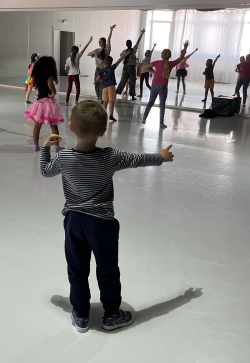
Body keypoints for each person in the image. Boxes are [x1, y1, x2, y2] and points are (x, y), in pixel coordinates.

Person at [39, 100, 174, 333]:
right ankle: (112, 314)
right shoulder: (110, 157)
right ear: (102, 131)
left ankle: (80, 314)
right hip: (102, 223)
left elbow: (45, 171)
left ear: (70, 126)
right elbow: (137, 160)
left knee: (77, 267)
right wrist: (160, 157)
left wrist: (45, 148)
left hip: (74, 222)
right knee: (108, 268)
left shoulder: (64, 157)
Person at [142, 41, 189, 128]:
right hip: (163, 86)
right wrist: (185, 47)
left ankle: (144, 118)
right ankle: (161, 123)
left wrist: (153, 71)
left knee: (150, 102)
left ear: (162, 55)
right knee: (162, 104)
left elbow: (146, 66)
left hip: (154, 85)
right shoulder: (171, 64)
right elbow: (181, 57)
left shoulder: (157, 62)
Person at [25, 56, 65, 152]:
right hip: (49, 102)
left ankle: (36, 145)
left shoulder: (37, 76)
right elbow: (50, 84)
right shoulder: (49, 76)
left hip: (39, 103)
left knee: (37, 126)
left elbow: (35, 85)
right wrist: (54, 92)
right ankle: (57, 146)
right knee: (54, 125)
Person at [96, 50, 132, 122]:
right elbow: (119, 60)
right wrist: (126, 54)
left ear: (103, 62)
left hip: (104, 88)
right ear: (111, 63)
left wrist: (102, 78)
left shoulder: (101, 71)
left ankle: (103, 116)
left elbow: (97, 79)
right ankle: (111, 115)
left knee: (105, 102)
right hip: (111, 87)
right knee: (111, 101)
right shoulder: (112, 68)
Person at [115, 29, 146, 101]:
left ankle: (117, 93)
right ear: (131, 44)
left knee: (123, 80)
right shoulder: (133, 50)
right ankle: (132, 96)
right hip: (131, 68)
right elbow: (138, 42)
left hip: (125, 67)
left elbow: (121, 55)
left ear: (126, 45)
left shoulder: (124, 51)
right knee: (132, 81)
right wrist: (142, 33)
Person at [88, 25, 116, 104]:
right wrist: (93, 53)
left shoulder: (107, 49)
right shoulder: (97, 50)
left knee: (102, 84)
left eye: (100, 41)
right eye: (99, 41)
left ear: (104, 42)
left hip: (104, 69)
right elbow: (88, 54)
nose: (99, 42)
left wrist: (111, 31)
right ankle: (99, 97)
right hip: (98, 69)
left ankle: (102, 99)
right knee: (96, 83)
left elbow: (109, 39)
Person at [65, 37, 93, 105]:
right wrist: (89, 41)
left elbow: (65, 68)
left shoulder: (68, 59)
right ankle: (76, 101)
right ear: (77, 52)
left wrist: (70, 66)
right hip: (75, 75)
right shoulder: (78, 57)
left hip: (70, 76)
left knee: (69, 89)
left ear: (71, 51)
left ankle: (66, 102)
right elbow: (84, 49)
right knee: (78, 89)